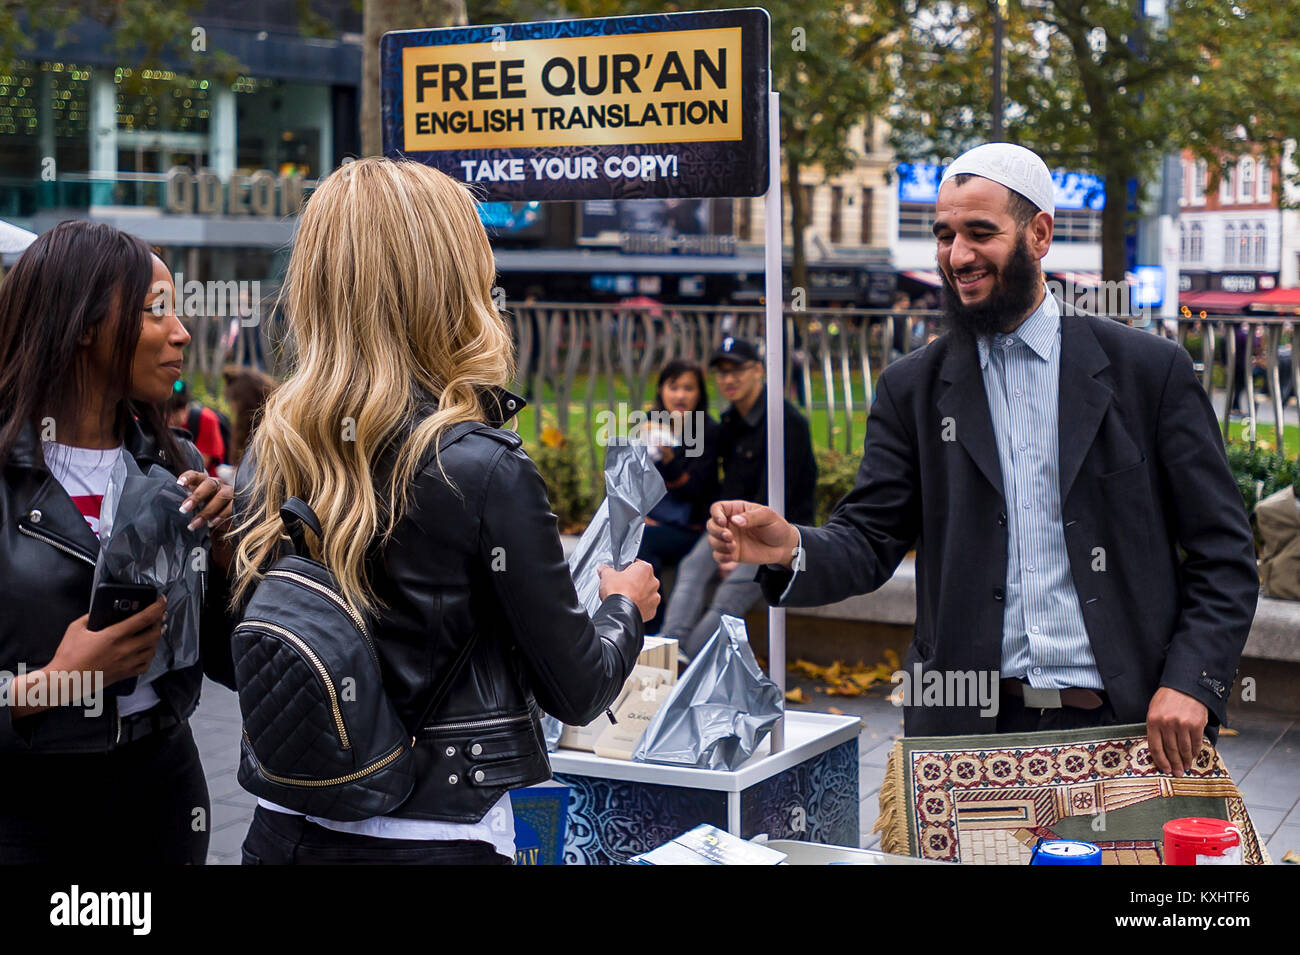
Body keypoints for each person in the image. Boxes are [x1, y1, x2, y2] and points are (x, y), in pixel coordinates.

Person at [708, 142, 1259, 779]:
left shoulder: (1148, 373)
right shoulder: (911, 388)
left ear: (1040, 235)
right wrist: (790, 547)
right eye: (944, 235)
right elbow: (870, 537)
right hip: (963, 740)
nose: (958, 256)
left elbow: (1224, 555)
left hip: (1126, 727)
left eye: (980, 233)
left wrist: (1192, 683)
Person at [228, 157, 658, 865]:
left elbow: (236, 657)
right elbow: (576, 689)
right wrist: (624, 607)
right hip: (437, 836)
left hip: (282, 829)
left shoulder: (274, 449)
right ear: (450, 285)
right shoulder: (482, 466)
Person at [0, 219, 238, 863]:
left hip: (162, 788)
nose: (182, 332)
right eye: (156, 311)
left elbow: (224, 662)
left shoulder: (173, 462)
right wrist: (52, 683)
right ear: (81, 323)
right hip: (26, 807)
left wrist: (226, 558)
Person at [661, 336, 816, 660]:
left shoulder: (785, 424)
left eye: (738, 370)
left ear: (758, 370)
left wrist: (737, 551)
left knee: (729, 595)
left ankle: (683, 669)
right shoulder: (730, 422)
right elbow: (721, 487)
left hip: (781, 537)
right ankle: (670, 650)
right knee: (692, 567)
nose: (728, 379)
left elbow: (781, 500)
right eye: (722, 372)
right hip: (733, 527)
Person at [636, 359, 720, 634]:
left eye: (689, 388)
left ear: (699, 394)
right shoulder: (650, 425)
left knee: (643, 545)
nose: (681, 395)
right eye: (674, 387)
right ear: (661, 390)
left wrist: (670, 461)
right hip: (653, 521)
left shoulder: (707, 431)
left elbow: (697, 492)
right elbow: (631, 477)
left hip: (690, 528)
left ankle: (651, 632)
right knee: (630, 539)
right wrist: (639, 515)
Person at [166, 379, 228, 477]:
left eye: (180, 408)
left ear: (187, 406)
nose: (173, 416)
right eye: (168, 410)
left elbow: (198, 466)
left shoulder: (206, 419)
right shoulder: (153, 420)